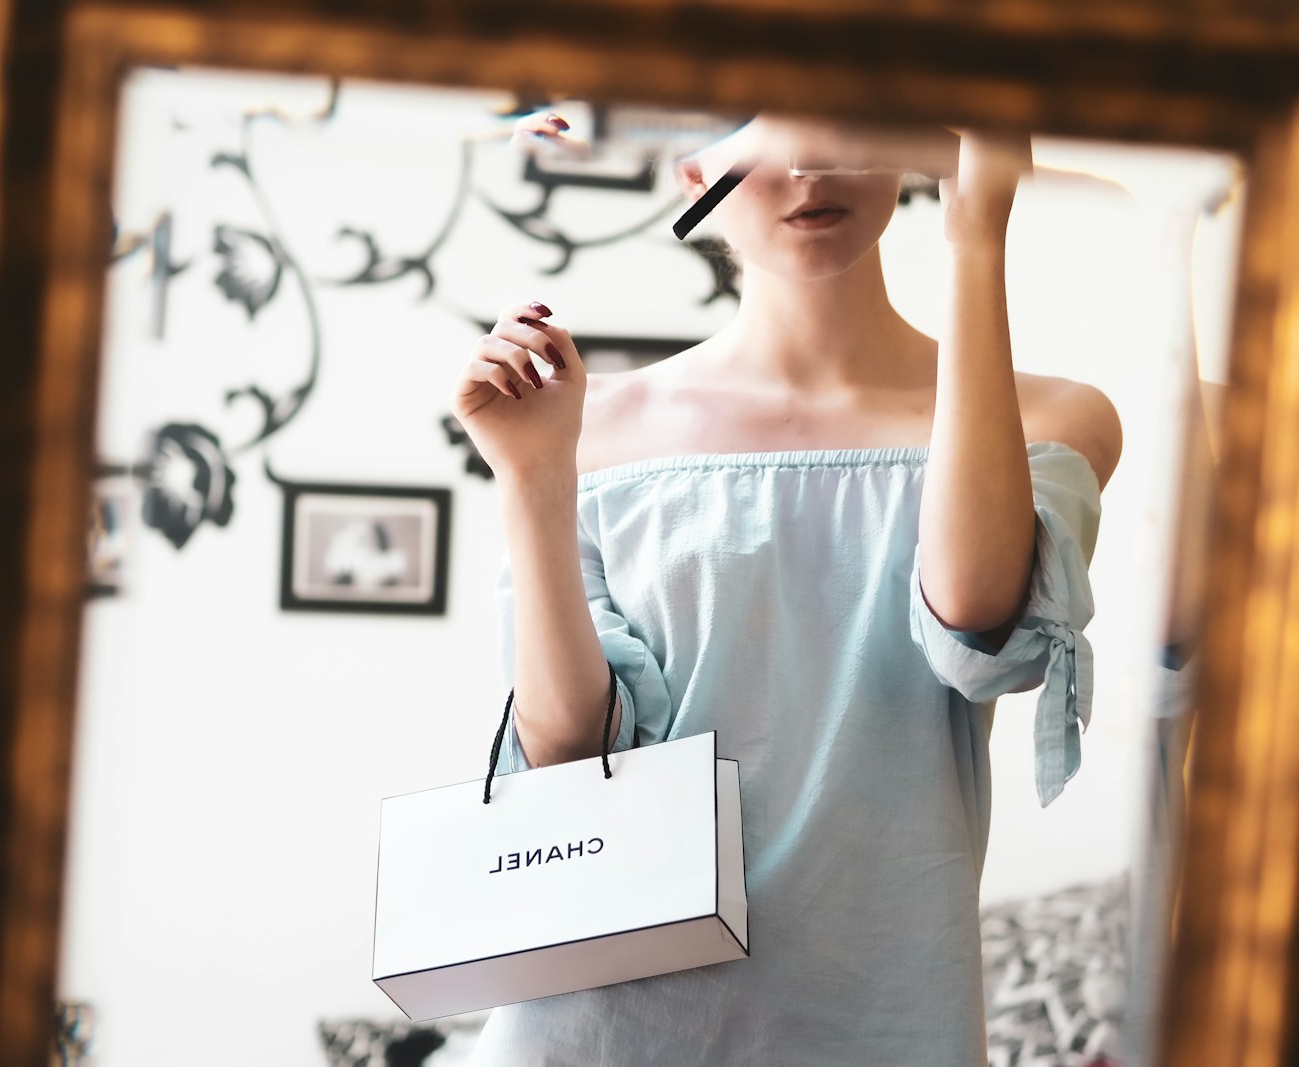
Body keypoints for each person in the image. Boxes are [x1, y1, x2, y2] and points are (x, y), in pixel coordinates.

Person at [448, 111, 1123, 1067]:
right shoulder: (592, 429)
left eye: (849, 117)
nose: (811, 163)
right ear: (693, 170)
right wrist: (531, 478)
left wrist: (979, 237)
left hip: (880, 1020)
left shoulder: (1060, 415)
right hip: (599, 1035)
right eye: (763, 127)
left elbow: (976, 631)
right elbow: (569, 757)